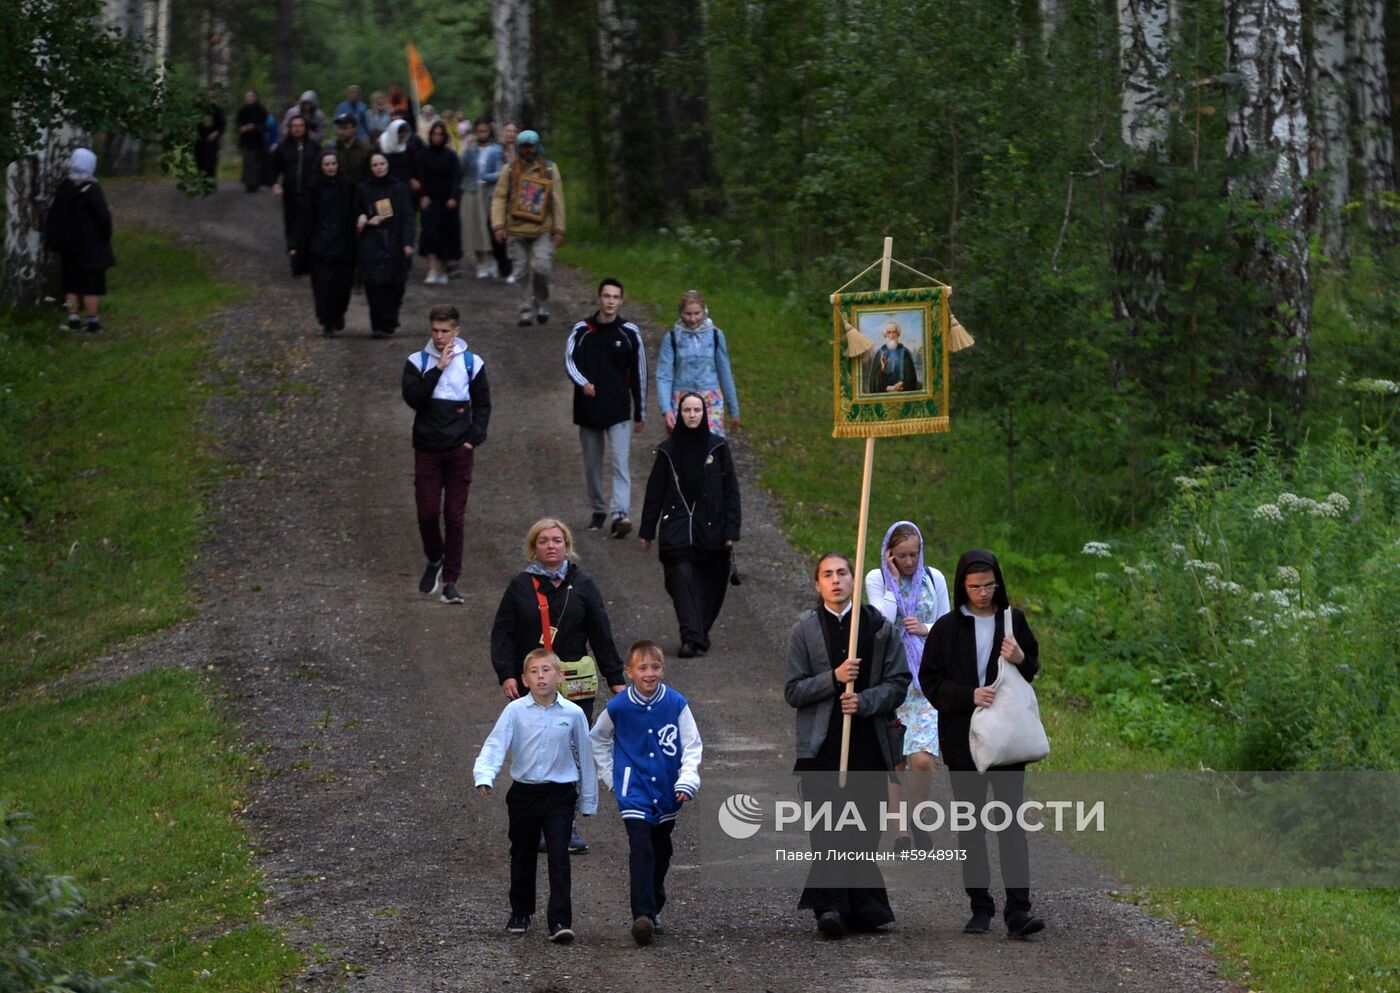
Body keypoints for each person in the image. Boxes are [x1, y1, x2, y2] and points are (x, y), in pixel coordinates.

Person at [920, 548, 1044, 939]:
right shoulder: (946, 628)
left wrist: (1020, 655)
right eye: (975, 586)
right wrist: (968, 695)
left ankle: (1019, 911)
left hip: (1007, 740)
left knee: (1011, 826)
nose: (983, 593)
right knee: (971, 827)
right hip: (963, 740)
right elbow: (930, 682)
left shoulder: (1012, 620)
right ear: (962, 586)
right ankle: (980, 907)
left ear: (998, 583)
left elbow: (1032, 668)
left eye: (989, 585)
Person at [784, 552, 909, 939]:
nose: (835, 580)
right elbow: (793, 690)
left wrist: (865, 700)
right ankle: (831, 907)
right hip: (821, 749)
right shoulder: (804, 629)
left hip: (868, 746)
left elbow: (898, 682)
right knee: (827, 829)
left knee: (864, 830)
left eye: (842, 573)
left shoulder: (878, 627)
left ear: (854, 580)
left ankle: (862, 907)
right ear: (817, 583)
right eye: (827, 574)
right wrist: (834, 678)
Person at [490, 517, 627, 853]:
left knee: (572, 751)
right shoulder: (520, 587)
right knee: (535, 749)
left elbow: (601, 632)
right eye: (543, 541)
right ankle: (533, 823)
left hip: (575, 686)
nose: (551, 546)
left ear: (567, 545)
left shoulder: (583, 584)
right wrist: (507, 674)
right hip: (533, 683)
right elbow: (503, 634)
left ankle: (566, 826)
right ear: (533, 547)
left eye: (557, 540)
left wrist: (616, 680)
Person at [474, 648, 597, 944]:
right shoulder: (515, 711)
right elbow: (496, 744)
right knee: (522, 852)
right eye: (534, 672)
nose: (541, 677)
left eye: (546, 670)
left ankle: (560, 920)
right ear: (524, 679)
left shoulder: (573, 713)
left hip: (560, 794)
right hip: (524, 794)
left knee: (559, 855)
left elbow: (586, 755)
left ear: (560, 676)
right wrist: (485, 775)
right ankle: (521, 911)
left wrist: (589, 800)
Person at [590, 640, 702, 946]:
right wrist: (612, 777)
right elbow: (597, 739)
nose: (649, 673)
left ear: (662, 670)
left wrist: (687, 780)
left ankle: (654, 905)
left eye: (655, 667)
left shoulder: (676, 703)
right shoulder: (619, 706)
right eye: (643, 668)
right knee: (642, 849)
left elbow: (692, 745)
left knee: (661, 851)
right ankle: (642, 916)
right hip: (634, 792)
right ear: (630, 672)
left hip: (667, 792)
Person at [864, 521, 950, 850]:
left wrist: (925, 628)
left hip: (925, 678)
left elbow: (947, 622)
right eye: (902, 556)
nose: (910, 561)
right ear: (890, 554)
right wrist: (892, 580)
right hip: (891, 676)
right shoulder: (877, 578)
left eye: (914, 554)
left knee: (923, 759)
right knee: (896, 760)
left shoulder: (933, 578)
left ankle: (919, 815)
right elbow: (880, 621)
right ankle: (900, 832)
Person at [639, 393, 741, 658]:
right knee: (681, 581)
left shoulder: (718, 448)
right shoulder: (667, 451)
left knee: (713, 586)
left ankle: (698, 633)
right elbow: (655, 491)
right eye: (687, 410)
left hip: (713, 531)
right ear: (679, 414)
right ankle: (691, 637)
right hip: (676, 531)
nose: (692, 415)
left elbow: (731, 491)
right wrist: (647, 530)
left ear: (704, 413)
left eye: (697, 410)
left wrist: (731, 530)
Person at [401, 305, 491, 605]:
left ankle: (451, 581)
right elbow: (414, 399)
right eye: (435, 331)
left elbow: (483, 404)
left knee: (454, 516)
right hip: (427, 449)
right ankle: (434, 558)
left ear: (456, 331)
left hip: (458, 451)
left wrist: (473, 440)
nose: (439, 337)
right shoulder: (417, 362)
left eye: (445, 331)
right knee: (427, 512)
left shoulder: (472, 363)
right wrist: (438, 368)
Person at [565, 278, 645, 537]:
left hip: (618, 409)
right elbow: (570, 361)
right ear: (599, 298)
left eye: (615, 297)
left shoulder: (629, 333)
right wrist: (583, 383)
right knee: (592, 463)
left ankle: (620, 514)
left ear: (621, 301)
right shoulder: (582, 330)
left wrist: (640, 411)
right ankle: (599, 509)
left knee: (620, 462)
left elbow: (639, 373)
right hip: (588, 408)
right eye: (606, 296)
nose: (610, 301)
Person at [490, 128, 565, 325]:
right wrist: (498, 225)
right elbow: (499, 197)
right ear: (519, 148)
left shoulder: (550, 169)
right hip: (516, 230)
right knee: (520, 272)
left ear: (537, 146)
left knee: (542, 268)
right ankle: (524, 311)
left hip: (542, 229)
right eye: (524, 146)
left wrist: (559, 228)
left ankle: (542, 303)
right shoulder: (509, 170)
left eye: (531, 146)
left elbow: (557, 199)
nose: (527, 150)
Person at [44, 148, 114, 333]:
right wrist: (105, 235)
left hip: (69, 245)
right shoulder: (93, 188)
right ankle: (92, 322)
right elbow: (103, 218)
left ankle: (73, 319)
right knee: (92, 285)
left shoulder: (65, 187)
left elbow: (55, 214)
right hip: (92, 246)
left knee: (71, 283)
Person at [656, 289, 742, 436]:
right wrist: (666, 409)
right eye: (688, 314)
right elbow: (664, 376)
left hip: (710, 400)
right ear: (681, 313)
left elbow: (725, 373)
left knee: (711, 446)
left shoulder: (715, 335)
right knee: (684, 446)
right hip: (682, 400)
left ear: (704, 311)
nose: (693, 319)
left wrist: (734, 410)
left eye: (697, 313)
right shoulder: (672, 338)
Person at [293, 151, 357, 336]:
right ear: (321, 166)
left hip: (343, 244)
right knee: (322, 287)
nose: (331, 167)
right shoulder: (313, 187)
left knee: (343, 286)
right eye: (327, 164)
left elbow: (355, 208)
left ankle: (338, 314)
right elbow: (304, 218)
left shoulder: (348, 185)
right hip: (319, 245)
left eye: (333, 163)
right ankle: (327, 321)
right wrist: (297, 244)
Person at [356, 151, 415, 338]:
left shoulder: (399, 188)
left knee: (396, 284)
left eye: (382, 163)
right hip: (371, 242)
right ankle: (378, 326)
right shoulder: (363, 188)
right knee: (373, 285)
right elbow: (355, 210)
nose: (379, 168)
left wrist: (407, 242)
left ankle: (390, 318)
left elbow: (408, 216)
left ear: (388, 164)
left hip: (395, 241)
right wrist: (364, 219)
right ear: (370, 167)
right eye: (375, 165)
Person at [271, 115, 320, 260]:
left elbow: (320, 167)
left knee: (309, 221)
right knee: (291, 220)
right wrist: (274, 182)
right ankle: (292, 248)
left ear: (305, 128)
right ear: (290, 128)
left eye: (300, 125)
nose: (297, 129)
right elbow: (274, 167)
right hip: (290, 192)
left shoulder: (314, 146)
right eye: (294, 126)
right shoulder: (283, 147)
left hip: (309, 192)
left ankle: (307, 249)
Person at [417, 120, 461, 285]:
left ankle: (443, 270)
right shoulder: (423, 155)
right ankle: (432, 269)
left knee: (446, 235)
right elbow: (421, 177)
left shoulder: (451, 156)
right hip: (430, 200)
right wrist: (423, 195)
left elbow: (456, 178)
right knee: (430, 233)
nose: (437, 137)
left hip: (447, 201)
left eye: (440, 134)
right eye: (434, 134)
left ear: (444, 136)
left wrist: (453, 197)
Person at [459, 118, 502, 279]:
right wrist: (467, 149)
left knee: (491, 225)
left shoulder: (496, 149)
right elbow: (461, 168)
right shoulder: (471, 148)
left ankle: (493, 259)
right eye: (479, 131)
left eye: (484, 131)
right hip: (473, 189)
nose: (482, 134)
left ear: (489, 131)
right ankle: (480, 263)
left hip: (490, 190)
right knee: (476, 227)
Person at [865, 320, 920, 394]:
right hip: (884, 393)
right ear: (885, 335)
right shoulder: (880, 353)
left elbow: (911, 376)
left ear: (898, 334)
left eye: (894, 332)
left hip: (901, 391)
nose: (892, 335)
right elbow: (874, 379)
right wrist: (882, 368)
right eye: (889, 332)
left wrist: (901, 384)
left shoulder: (905, 352)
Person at [235, 89, 269, 192]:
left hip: (257, 141)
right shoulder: (243, 110)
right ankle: (248, 183)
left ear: (255, 97)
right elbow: (238, 123)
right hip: (246, 140)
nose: (249, 98)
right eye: (248, 96)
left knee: (256, 163)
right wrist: (242, 128)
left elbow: (265, 126)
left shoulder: (261, 110)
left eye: (251, 96)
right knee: (247, 162)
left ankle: (255, 183)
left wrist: (254, 127)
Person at [379, 118, 422, 195]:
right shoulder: (381, 147)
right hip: (385, 186)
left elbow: (415, 167)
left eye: (404, 132)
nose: (402, 135)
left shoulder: (408, 148)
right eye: (399, 133)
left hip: (405, 186)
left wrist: (413, 179)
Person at [330, 113, 372, 185]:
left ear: (355, 129)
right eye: (339, 128)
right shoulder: (332, 149)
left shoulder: (366, 149)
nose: (341, 132)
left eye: (345, 128)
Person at [195, 90, 225, 179]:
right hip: (200, 139)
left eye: (211, 97)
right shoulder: (199, 108)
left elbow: (222, 124)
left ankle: (210, 181)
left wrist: (215, 133)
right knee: (200, 161)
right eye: (207, 96)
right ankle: (202, 180)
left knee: (211, 162)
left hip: (212, 141)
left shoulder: (217, 109)